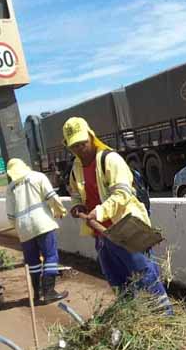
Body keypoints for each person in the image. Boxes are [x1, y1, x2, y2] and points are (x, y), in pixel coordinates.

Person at [62, 117, 172, 313]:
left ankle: (164, 317)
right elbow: (76, 192)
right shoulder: (76, 169)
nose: (80, 149)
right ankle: (131, 316)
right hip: (102, 234)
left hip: (125, 228)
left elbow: (122, 193)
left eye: (82, 143)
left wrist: (100, 211)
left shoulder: (110, 160)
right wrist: (78, 205)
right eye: (74, 146)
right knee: (117, 279)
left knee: (144, 274)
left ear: (91, 137)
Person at [5, 158, 69, 305]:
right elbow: (52, 197)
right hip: (43, 224)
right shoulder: (38, 176)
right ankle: (49, 292)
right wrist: (60, 211)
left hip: (24, 229)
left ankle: (37, 293)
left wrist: (17, 227)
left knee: (32, 261)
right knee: (50, 256)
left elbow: (10, 215)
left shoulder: (10, 188)